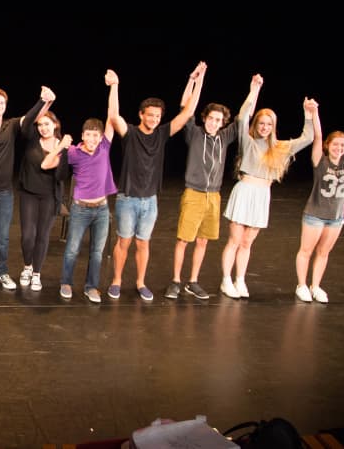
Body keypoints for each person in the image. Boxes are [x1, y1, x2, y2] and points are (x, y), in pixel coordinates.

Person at [108, 62, 205, 301]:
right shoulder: (130, 133)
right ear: (141, 115)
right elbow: (113, 116)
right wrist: (115, 86)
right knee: (124, 242)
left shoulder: (162, 134)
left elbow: (188, 112)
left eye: (157, 115)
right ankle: (116, 281)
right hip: (128, 198)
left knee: (143, 244)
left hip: (150, 200)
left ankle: (141, 282)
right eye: (149, 114)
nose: (153, 118)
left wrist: (196, 79)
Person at [219, 74, 316, 299]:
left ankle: (240, 279)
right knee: (234, 240)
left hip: (262, 195)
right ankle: (226, 280)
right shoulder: (248, 141)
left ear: (273, 127)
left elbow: (308, 138)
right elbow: (242, 118)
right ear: (257, 125)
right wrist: (254, 90)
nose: (264, 127)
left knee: (247, 242)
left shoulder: (280, 148)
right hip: (244, 191)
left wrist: (309, 114)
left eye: (269, 124)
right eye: (261, 123)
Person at [0, 80, 54, 292]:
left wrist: (46, 101)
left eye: (2, 103)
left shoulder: (12, 125)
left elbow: (31, 117)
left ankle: (2, 272)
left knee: (3, 237)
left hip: (4, 192)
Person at [167, 72, 239, 300]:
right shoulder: (195, 133)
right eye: (211, 118)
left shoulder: (225, 137)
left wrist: (254, 88)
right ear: (205, 118)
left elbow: (244, 117)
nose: (215, 123)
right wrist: (193, 80)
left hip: (213, 196)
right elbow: (184, 106)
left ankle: (193, 281)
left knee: (203, 240)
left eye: (219, 120)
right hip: (194, 194)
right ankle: (176, 281)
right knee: (184, 240)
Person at [294, 99, 344, 303]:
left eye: (343, 145)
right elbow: (318, 136)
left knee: (323, 252)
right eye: (336, 144)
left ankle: (316, 286)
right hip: (315, 215)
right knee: (307, 251)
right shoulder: (320, 160)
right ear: (329, 145)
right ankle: (301, 285)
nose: (340, 148)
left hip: (336, 218)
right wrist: (315, 112)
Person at [51, 69, 118, 303]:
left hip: (101, 209)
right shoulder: (74, 152)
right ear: (83, 135)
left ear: (101, 137)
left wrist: (114, 86)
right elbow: (49, 162)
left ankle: (91, 287)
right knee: (71, 250)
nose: (91, 139)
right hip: (79, 209)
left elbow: (112, 116)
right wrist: (61, 145)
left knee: (97, 252)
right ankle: (66, 282)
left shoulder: (104, 148)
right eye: (88, 135)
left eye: (95, 136)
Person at [18, 100, 65, 292]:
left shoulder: (63, 148)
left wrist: (61, 146)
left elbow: (55, 169)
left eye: (48, 124)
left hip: (50, 196)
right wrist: (44, 102)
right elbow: (28, 121)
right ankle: (27, 266)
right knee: (28, 235)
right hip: (28, 193)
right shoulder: (31, 140)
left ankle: (36, 273)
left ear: (55, 124)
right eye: (41, 124)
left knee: (42, 236)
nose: (44, 128)